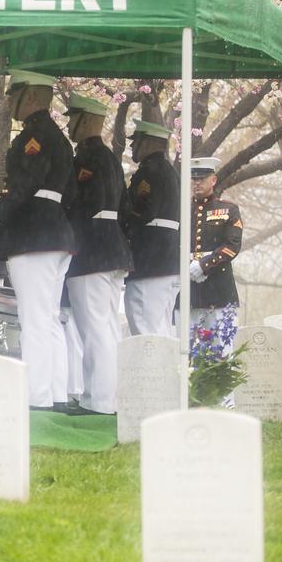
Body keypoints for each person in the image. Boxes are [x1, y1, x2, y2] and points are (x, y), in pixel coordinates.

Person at [0, 70, 76, 411]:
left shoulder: (34, 137)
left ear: (33, 96)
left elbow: (22, 187)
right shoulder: (57, 137)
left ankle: (36, 397)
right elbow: (67, 194)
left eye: (16, 95)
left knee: (35, 320)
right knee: (49, 319)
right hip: (55, 232)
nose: (10, 102)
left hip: (34, 235)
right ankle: (55, 393)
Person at [63, 93, 131, 415]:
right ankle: (100, 397)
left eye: (72, 118)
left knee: (94, 329)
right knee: (102, 327)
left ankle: (100, 400)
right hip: (109, 247)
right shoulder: (109, 158)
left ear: (87, 121)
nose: (68, 124)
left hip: (93, 249)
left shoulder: (89, 158)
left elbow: (82, 203)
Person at [121, 118, 180, 337]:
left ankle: (153, 372)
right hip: (167, 260)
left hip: (151, 259)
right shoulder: (170, 171)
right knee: (160, 329)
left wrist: (120, 214)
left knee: (145, 328)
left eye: (135, 141)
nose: (131, 146)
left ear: (148, 143)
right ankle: (166, 372)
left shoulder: (150, 171)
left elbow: (143, 212)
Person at [187, 156, 243, 344]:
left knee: (221, 350)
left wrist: (204, 265)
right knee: (186, 350)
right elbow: (171, 244)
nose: (197, 183)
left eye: (202, 178)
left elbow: (232, 245)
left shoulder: (228, 210)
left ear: (213, 180)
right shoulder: (182, 211)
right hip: (188, 290)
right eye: (194, 179)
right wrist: (188, 266)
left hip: (219, 288)